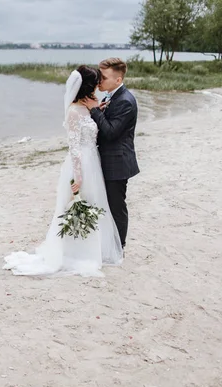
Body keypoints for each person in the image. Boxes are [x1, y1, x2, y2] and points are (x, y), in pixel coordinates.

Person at [3, 65, 123, 277]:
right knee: (79, 202)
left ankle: (94, 249)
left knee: (95, 203)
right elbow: (74, 148)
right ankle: (74, 252)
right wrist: (77, 176)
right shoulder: (74, 112)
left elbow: (93, 127)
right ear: (87, 85)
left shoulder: (88, 106)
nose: (98, 84)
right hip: (81, 164)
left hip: (93, 161)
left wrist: (98, 109)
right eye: (96, 81)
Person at [80, 58, 140, 249]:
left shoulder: (126, 101)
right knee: (106, 205)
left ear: (118, 79)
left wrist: (95, 110)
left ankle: (119, 247)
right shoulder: (111, 97)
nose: (99, 81)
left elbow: (111, 132)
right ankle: (109, 243)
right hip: (107, 159)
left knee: (116, 207)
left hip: (118, 163)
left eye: (103, 77)